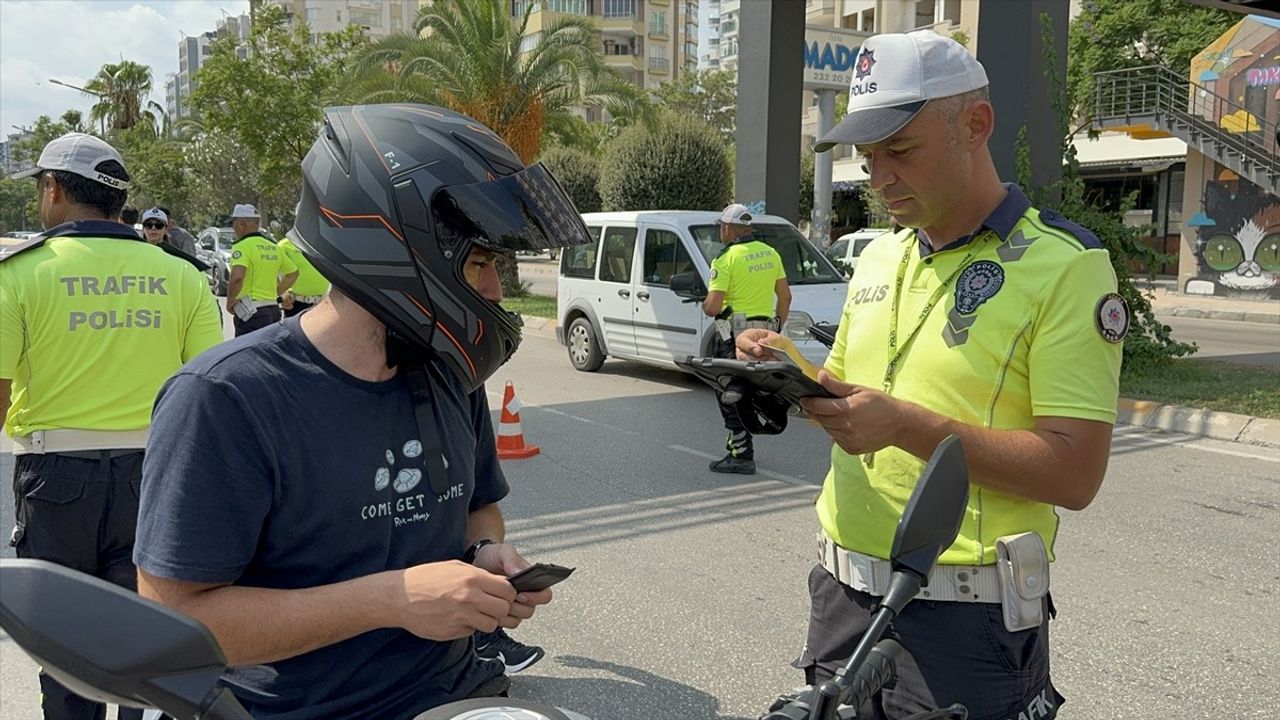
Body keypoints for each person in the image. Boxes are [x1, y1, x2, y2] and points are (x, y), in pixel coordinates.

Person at [132, 103, 589, 719]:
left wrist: (484, 556)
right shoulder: (227, 398)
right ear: (395, 246)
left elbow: (479, 507)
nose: (495, 294)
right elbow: (173, 622)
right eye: (479, 263)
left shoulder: (447, 375)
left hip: (452, 693)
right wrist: (391, 600)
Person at [740, 31, 1127, 720]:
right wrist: (789, 374)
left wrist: (904, 427)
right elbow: (853, 389)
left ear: (975, 125)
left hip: (966, 623)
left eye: (902, 151)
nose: (878, 176)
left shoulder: (1067, 266)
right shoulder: (883, 256)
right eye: (867, 156)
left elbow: (1075, 475)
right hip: (841, 597)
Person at [0, 132, 223, 720]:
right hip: (155, 475)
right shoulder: (180, 275)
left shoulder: (17, 274)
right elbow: (208, 390)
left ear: (53, 189)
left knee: (67, 644)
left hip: (54, 481)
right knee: (145, 633)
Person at [701, 202, 790, 475]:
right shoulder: (771, 253)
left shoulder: (726, 259)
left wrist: (705, 306)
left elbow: (714, 307)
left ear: (728, 228)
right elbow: (785, 297)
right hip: (763, 336)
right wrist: (775, 326)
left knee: (729, 392)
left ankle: (741, 454)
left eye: (721, 228)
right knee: (751, 389)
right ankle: (739, 447)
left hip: (733, 338)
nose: (720, 232)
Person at [224, 203, 297, 336]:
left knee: (247, 354)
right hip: (273, 310)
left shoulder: (242, 247)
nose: (233, 228)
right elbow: (293, 273)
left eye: (233, 223)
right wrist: (275, 293)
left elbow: (237, 277)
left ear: (241, 224)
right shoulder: (273, 247)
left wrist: (230, 300)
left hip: (251, 312)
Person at [277, 228, 330, 317]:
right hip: (295, 304)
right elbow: (272, 274)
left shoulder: (325, 244)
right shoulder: (284, 245)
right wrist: (282, 294)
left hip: (323, 303)